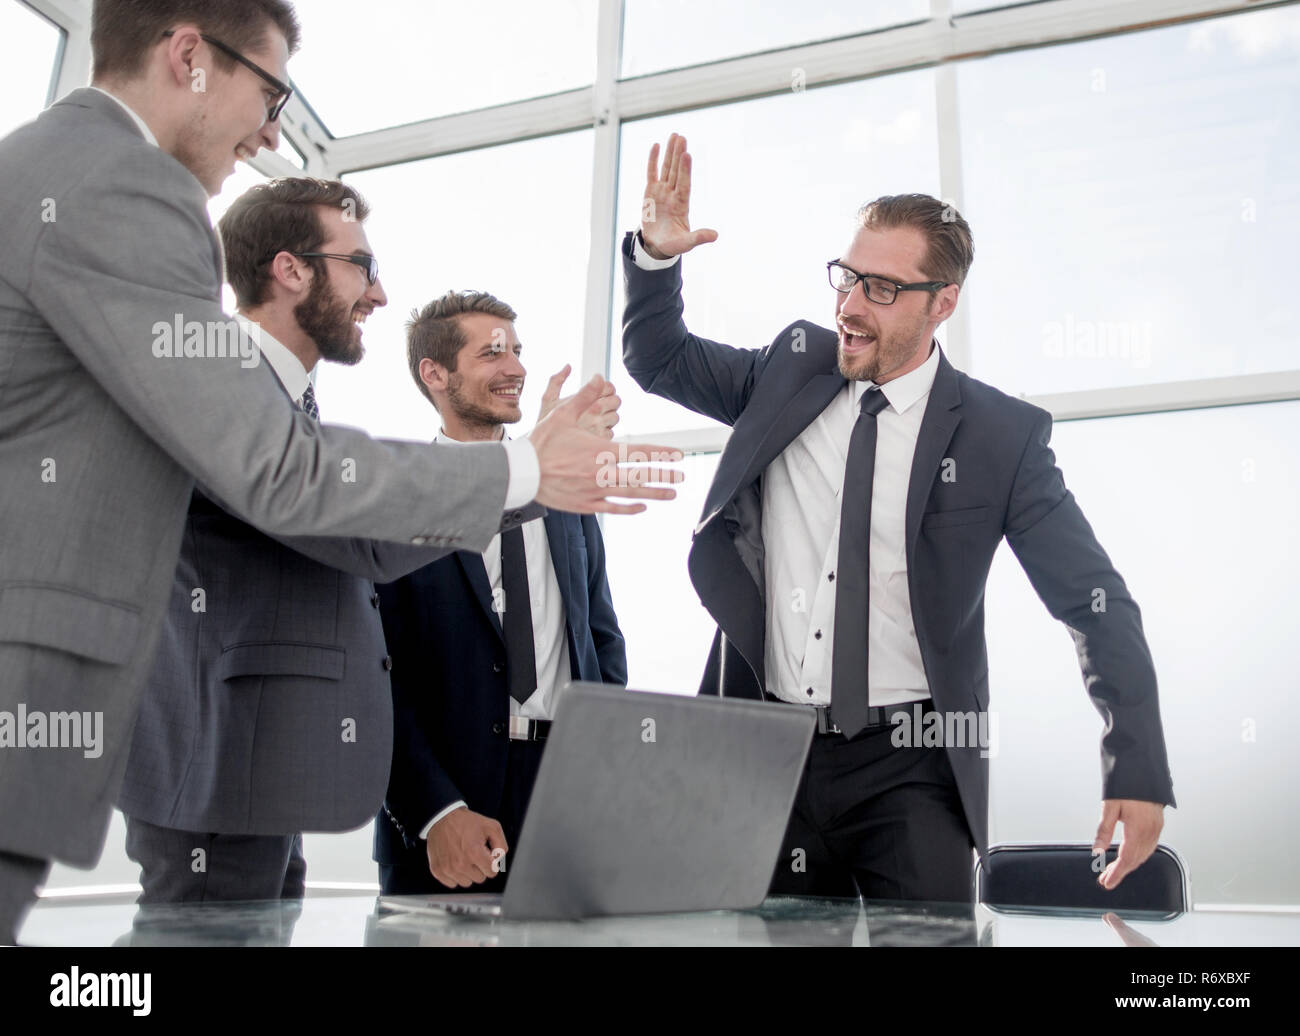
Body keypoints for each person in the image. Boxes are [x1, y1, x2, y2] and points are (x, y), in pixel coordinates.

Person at [0, 0, 678, 943]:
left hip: (249, 759)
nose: (272, 128)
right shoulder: (123, 190)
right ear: (189, 55)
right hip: (180, 745)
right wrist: (521, 470)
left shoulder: (68, 182)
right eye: (271, 92)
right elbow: (291, 481)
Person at [621, 134, 1176, 903]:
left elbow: (1095, 600)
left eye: (880, 289)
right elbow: (660, 358)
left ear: (941, 303)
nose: (849, 306)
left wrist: (1136, 762)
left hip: (910, 766)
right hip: (760, 752)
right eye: (847, 279)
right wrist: (654, 256)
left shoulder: (1000, 437)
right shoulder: (789, 368)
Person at [117, 179, 619, 903]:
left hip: (258, 769)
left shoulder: (288, 403)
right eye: (361, 265)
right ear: (291, 269)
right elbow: (341, 514)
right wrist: (527, 467)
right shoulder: (219, 378)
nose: (377, 295)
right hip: (209, 762)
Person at [375, 291, 628, 895]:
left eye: (517, 350)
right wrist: (435, 811)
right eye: (492, 353)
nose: (514, 367)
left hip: (565, 800)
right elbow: (376, 681)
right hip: (449, 811)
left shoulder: (564, 500)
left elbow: (601, 641)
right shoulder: (394, 497)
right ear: (434, 374)